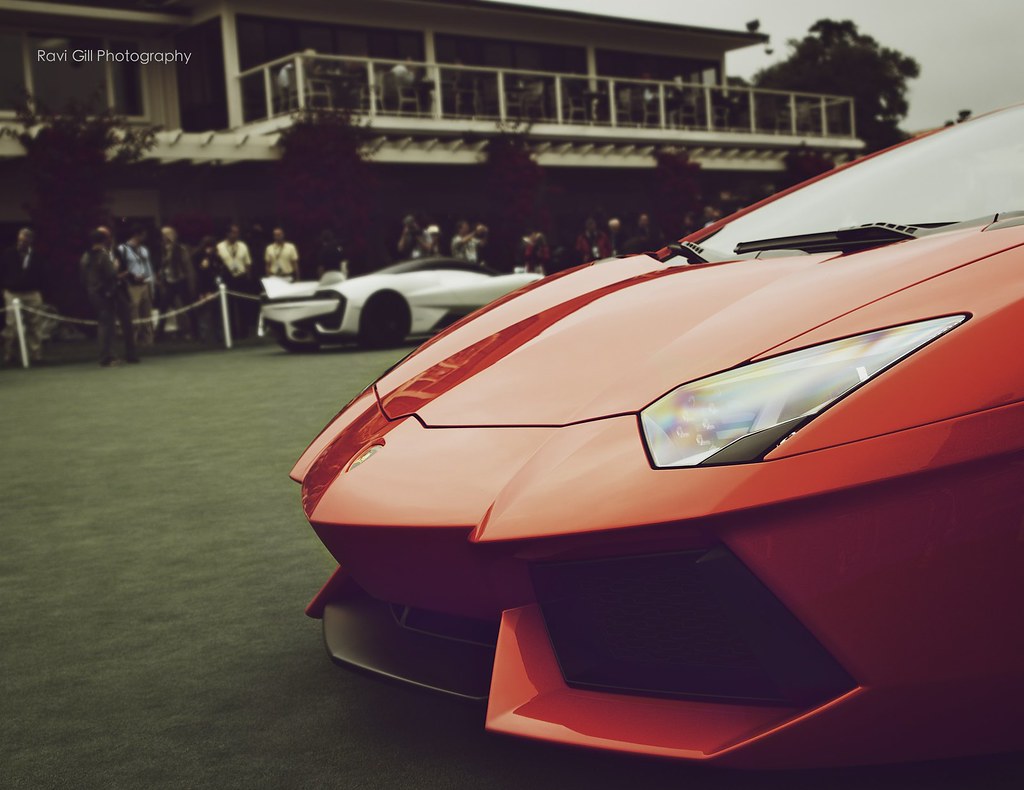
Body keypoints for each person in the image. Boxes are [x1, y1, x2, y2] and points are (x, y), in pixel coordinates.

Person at [82, 227, 138, 366]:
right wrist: (118, 269)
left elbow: (84, 276)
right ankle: (106, 357)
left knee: (111, 324)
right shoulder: (102, 255)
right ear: (104, 239)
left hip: (99, 292)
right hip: (106, 293)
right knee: (107, 325)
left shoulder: (86, 256)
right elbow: (111, 275)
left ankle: (119, 355)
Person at [1, 228, 45, 364]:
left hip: (32, 293)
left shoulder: (37, 256)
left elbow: (44, 274)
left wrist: (41, 290)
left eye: (24, 240)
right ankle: (9, 355)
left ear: (30, 241)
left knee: (35, 325)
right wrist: (3, 289)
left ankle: (36, 355)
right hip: (12, 292)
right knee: (11, 325)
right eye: (20, 240)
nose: (21, 243)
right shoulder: (8, 254)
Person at [118, 225, 156, 347]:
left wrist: (152, 284)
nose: (145, 237)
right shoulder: (122, 249)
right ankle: (132, 342)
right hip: (131, 285)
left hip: (145, 284)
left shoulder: (144, 249)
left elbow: (148, 267)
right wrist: (130, 276)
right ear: (137, 235)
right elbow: (119, 267)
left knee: (147, 313)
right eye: (143, 234)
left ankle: (148, 342)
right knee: (133, 314)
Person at [157, 226, 196, 340]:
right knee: (163, 308)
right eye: (163, 234)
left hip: (180, 281)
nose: (165, 236)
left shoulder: (180, 248)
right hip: (169, 282)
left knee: (188, 307)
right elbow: (162, 264)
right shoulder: (162, 249)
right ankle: (159, 335)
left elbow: (187, 267)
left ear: (173, 235)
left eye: (168, 234)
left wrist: (191, 283)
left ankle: (195, 332)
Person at [216, 224, 253, 338]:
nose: (235, 235)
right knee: (229, 306)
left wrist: (247, 275)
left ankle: (244, 332)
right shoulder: (220, 246)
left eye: (237, 232)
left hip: (241, 277)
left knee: (243, 306)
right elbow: (217, 263)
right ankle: (232, 332)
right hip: (227, 277)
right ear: (228, 234)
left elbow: (247, 262)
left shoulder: (242, 246)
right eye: (233, 232)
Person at [193, 236, 224, 344]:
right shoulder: (198, 256)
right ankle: (204, 338)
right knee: (204, 315)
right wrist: (202, 293)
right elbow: (200, 274)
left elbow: (220, 268)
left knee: (217, 314)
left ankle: (219, 337)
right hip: (203, 288)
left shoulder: (215, 256)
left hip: (215, 288)